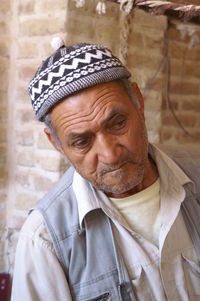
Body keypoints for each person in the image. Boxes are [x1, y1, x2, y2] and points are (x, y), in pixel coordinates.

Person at [11, 40, 200, 301]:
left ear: (139, 104)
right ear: (56, 144)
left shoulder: (195, 176)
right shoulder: (44, 240)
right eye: (82, 142)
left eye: (118, 123)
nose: (111, 154)